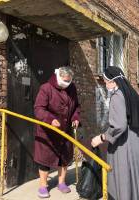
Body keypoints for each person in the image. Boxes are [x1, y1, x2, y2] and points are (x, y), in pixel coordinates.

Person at [91, 66, 139, 200]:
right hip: (138, 144)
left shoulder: (117, 96)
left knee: (124, 179)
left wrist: (102, 137)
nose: (105, 85)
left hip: (124, 146)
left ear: (114, 81)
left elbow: (119, 125)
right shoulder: (133, 95)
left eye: (106, 82)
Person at [33, 66, 80, 198]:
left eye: (69, 81)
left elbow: (76, 106)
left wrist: (76, 117)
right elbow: (38, 109)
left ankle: (61, 183)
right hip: (48, 131)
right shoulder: (46, 88)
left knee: (64, 158)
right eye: (64, 81)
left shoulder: (72, 88)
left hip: (65, 129)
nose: (66, 84)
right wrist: (50, 119)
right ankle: (43, 186)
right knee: (45, 159)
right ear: (58, 77)